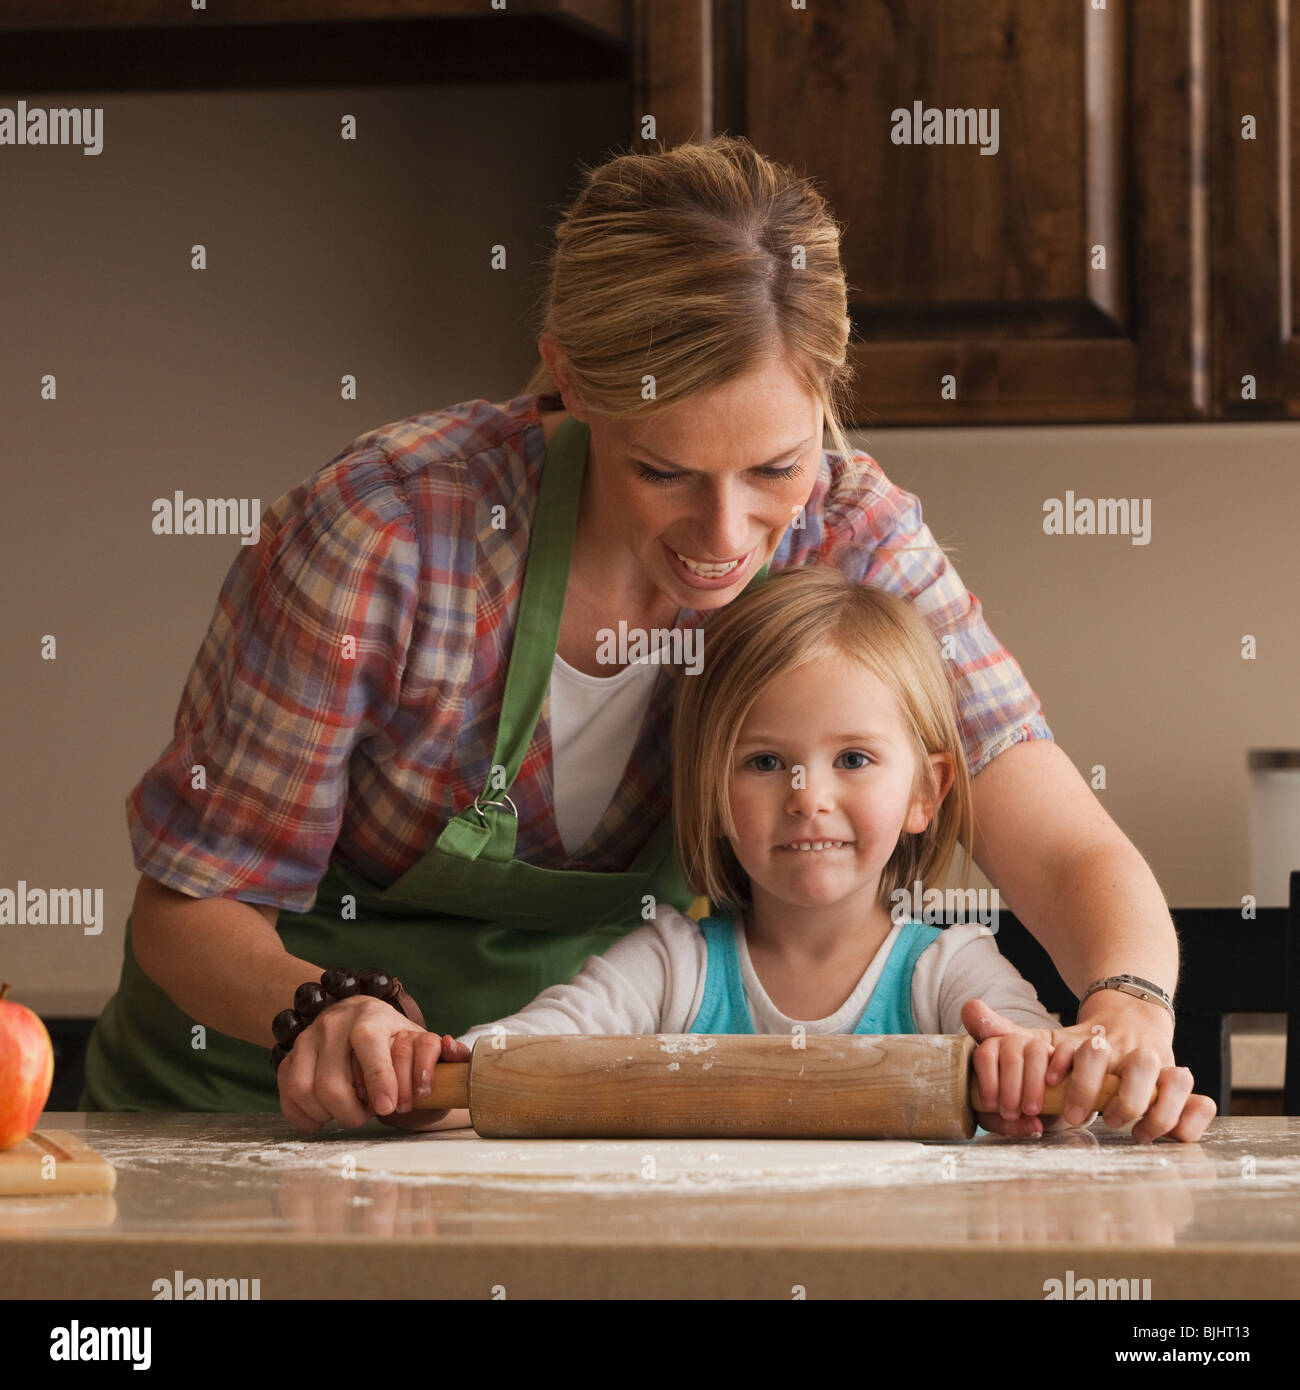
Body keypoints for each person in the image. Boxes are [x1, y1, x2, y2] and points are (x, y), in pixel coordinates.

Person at [80, 135, 1190, 1143]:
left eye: (774, 468)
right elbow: (193, 899)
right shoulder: (392, 534)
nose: (726, 538)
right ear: (570, 380)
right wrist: (315, 1015)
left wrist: (1125, 1004)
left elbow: (1062, 846)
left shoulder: (849, 538)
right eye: (664, 470)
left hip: (551, 1126)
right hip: (246, 1111)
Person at [367, 566, 1214, 1142]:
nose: (809, 795)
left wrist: (1040, 1070)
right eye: (766, 762)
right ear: (712, 794)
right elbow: (519, 1059)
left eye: (853, 759)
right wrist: (422, 1080)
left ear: (927, 791)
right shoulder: (669, 966)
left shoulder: (952, 973)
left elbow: (1039, 1070)